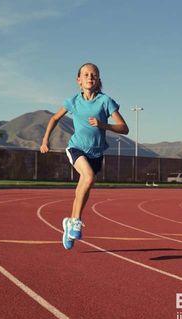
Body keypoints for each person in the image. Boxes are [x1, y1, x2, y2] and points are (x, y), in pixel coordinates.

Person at [40, 63, 129, 250]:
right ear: (78, 80)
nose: (90, 77)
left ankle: (70, 223)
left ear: (98, 80)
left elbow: (124, 128)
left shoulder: (105, 101)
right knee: (88, 177)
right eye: (86, 74)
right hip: (76, 148)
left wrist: (103, 125)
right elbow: (55, 118)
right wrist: (45, 140)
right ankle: (76, 220)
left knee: (85, 187)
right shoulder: (72, 101)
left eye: (94, 75)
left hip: (96, 153)